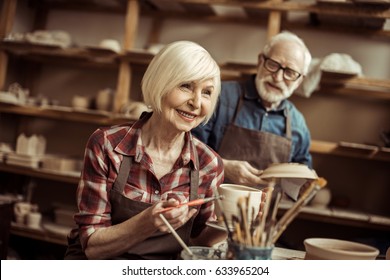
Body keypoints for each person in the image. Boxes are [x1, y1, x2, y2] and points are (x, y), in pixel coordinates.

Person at [65, 41, 226, 260]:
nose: (196, 103)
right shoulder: (107, 145)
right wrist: (147, 222)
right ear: (160, 84)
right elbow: (93, 247)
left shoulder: (209, 164)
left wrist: (231, 224)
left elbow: (197, 244)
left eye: (206, 92)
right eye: (186, 86)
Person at [192, 31, 313, 188]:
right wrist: (223, 167)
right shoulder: (219, 96)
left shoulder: (298, 124)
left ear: (299, 81)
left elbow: (303, 178)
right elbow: (187, 147)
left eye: (290, 73)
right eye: (273, 65)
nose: (278, 77)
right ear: (260, 61)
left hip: (264, 211)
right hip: (211, 206)